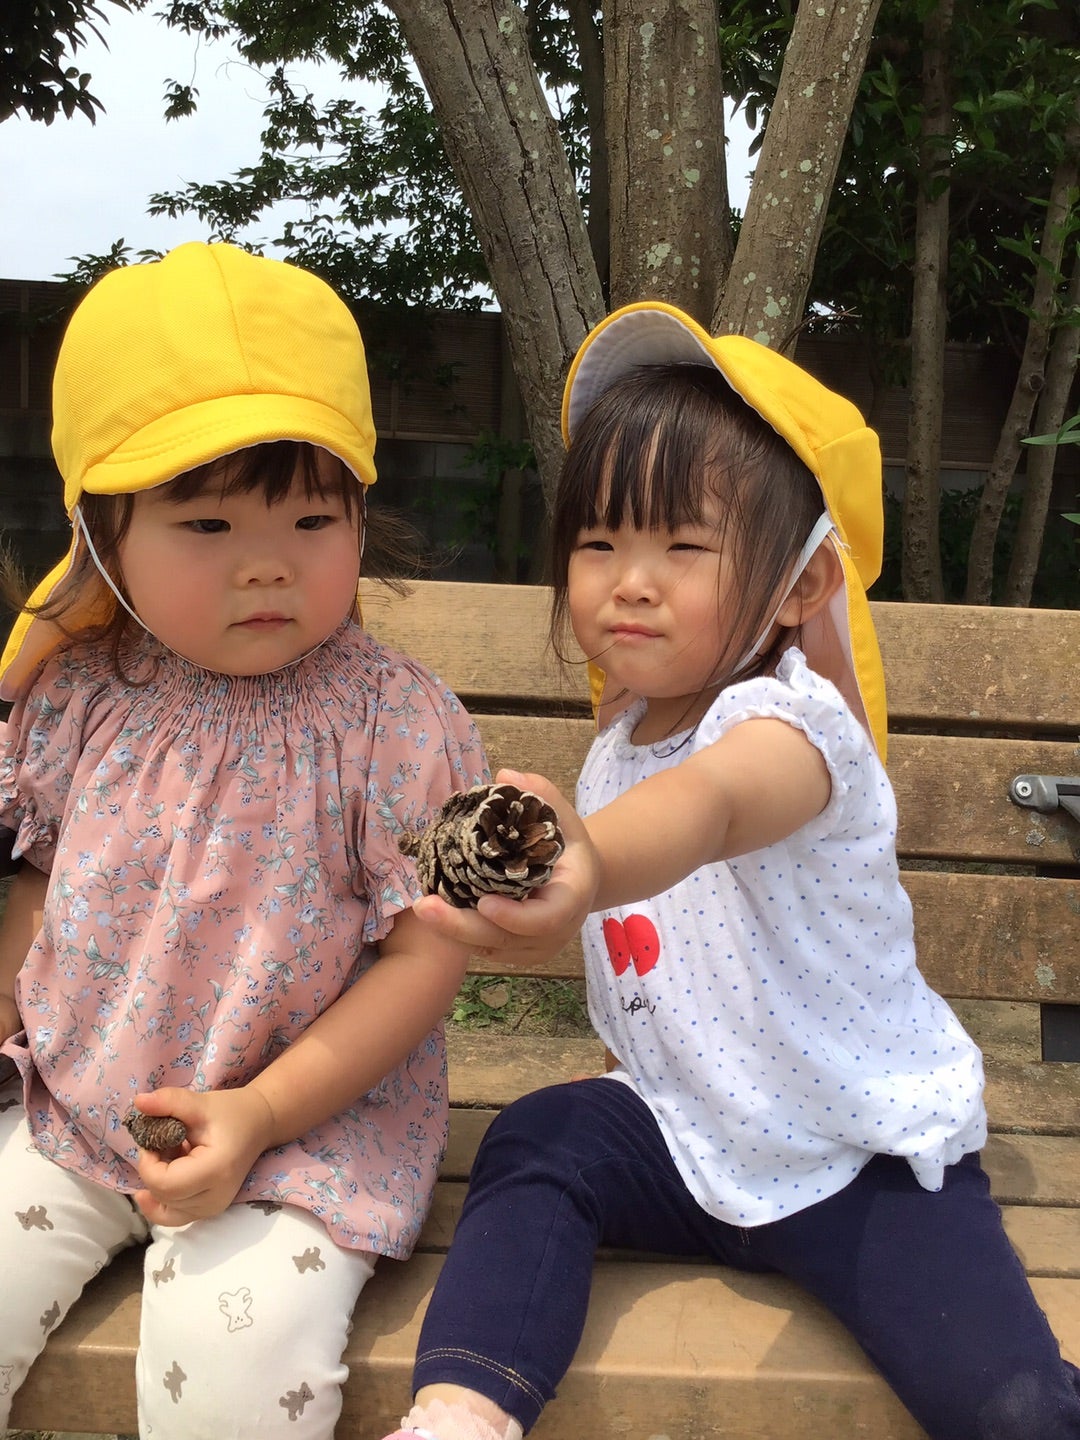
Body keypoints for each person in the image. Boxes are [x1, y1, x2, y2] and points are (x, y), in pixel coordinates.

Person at [383, 301, 1080, 1440]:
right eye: (599, 543)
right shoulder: (617, 748)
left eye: (683, 546)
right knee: (538, 1142)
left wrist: (587, 857)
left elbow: (708, 810)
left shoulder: (796, 729)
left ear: (806, 585)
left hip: (856, 1155)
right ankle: (464, 1407)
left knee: (1004, 1406)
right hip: (687, 1131)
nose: (629, 581)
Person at [0, 241, 488, 1439]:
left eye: (314, 517)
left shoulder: (396, 720)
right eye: (207, 521)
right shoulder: (79, 697)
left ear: (362, 516)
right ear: (100, 536)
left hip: (307, 1140)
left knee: (229, 1365)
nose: (267, 561)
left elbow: (429, 953)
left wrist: (262, 1114)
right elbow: (37, 885)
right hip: (78, 1108)